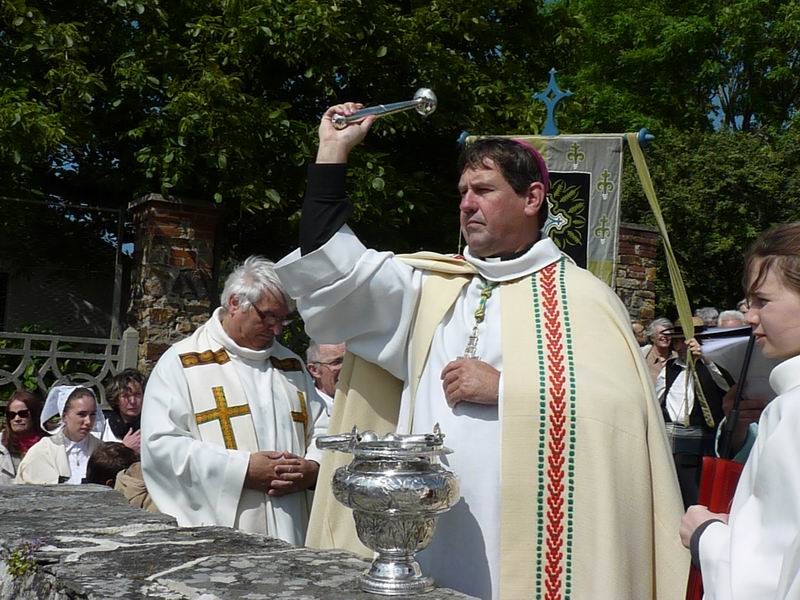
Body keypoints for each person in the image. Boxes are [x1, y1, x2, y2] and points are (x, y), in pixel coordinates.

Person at [275, 103, 688, 599]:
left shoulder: (583, 298)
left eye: (485, 190)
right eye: (463, 193)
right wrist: (332, 151)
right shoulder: (428, 287)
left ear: (532, 196)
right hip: (427, 539)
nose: (468, 204)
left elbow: (623, 418)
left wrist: (507, 388)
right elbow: (331, 267)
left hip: (532, 544)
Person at [141, 256, 328, 544]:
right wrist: (242, 470)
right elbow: (161, 447)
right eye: (267, 316)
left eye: (283, 319)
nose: (276, 329)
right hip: (219, 532)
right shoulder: (182, 363)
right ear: (234, 304)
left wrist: (313, 468)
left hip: (292, 526)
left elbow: (325, 428)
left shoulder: (290, 365)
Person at [680, 222, 800, 599]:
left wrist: (705, 536)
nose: (750, 317)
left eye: (763, 301)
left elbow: (768, 574)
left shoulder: (794, 411)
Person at [656, 317, 731, 507]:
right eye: (679, 341)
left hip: (699, 440)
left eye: (687, 341)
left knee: (694, 494)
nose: (683, 346)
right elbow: (657, 398)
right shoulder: (670, 368)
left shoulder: (710, 367)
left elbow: (728, 387)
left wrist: (704, 358)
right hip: (670, 436)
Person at [15, 386, 102, 484]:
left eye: (93, 414)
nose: (88, 421)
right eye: (81, 414)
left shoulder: (100, 448)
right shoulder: (44, 450)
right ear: (64, 416)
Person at [1, 390, 46, 484]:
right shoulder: (2, 445)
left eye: (23, 414)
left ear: (34, 415)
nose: (16, 419)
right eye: (11, 415)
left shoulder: (50, 445)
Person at [101, 369, 146, 452]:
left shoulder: (152, 427)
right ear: (115, 399)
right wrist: (125, 449)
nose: (133, 401)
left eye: (137, 395)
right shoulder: (103, 429)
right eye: (125, 396)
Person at [306, 341, 346, 415]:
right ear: (314, 370)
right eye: (336, 362)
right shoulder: (309, 411)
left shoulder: (365, 400)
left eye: (348, 361)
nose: (346, 367)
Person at [641, 317, 677, 384]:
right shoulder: (642, 357)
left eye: (668, 334)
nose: (665, 337)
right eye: (662, 333)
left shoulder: (677, 359)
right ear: (652, 337)